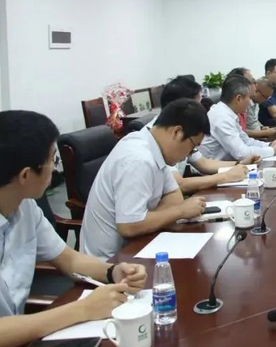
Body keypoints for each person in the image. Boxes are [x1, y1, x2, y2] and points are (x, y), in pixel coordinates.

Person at [0, 111, 147, 346]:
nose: (54, 169)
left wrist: (113, 272)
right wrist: (83, 309)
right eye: (52, 160)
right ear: (26, 175)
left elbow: (68, 259)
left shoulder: (25, 207)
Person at [81, 100, 210, 260]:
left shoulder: (155, 148)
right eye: (192, 147)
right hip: (109, 262)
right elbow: (129, 226)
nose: (188, 155)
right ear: (177, 132)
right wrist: (180, 211)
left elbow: (174, 195)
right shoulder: (138, 159)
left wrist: (149, 220)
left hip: (137, 246)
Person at [149, 76, 254, 195]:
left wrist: (240, 165)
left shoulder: (183, 129)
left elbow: (204, 163)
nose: (201, 111)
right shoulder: (160, 136)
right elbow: (178, 184)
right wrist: (225, 177)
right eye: (197, 105)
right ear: (180, 106)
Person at [200, 74, 276, 162]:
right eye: (249, 97)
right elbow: (241, 154)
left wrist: (270, 145)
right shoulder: (222, 117)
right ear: (239, 99)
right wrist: (273, 150)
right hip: (215, 168)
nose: (250, 102)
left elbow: (246, 141)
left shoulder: (228, 113)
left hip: (228, 164)